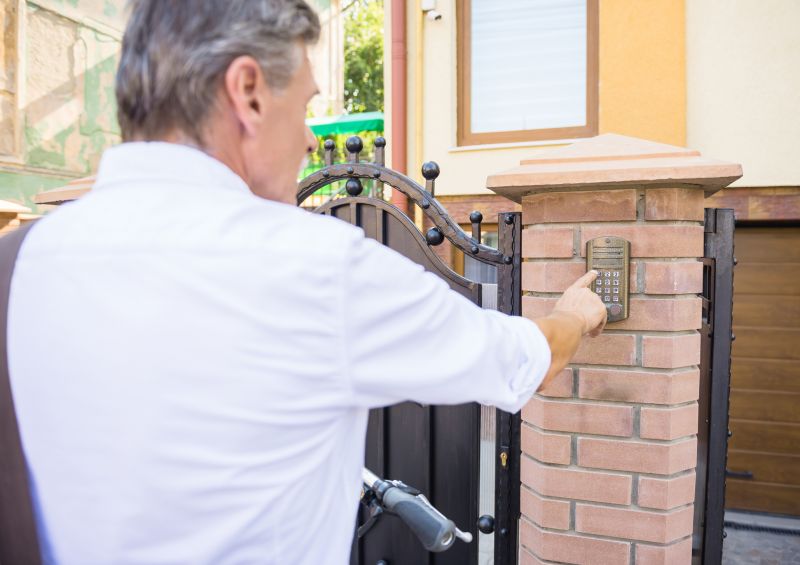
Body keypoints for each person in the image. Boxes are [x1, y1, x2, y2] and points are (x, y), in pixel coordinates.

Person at [7, 1, 607, 563]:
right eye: (304, 107)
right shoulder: (318, 271)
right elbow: (521, 360)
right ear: (247, 93)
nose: (310, 140)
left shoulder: (19, 264)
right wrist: (577, 314)